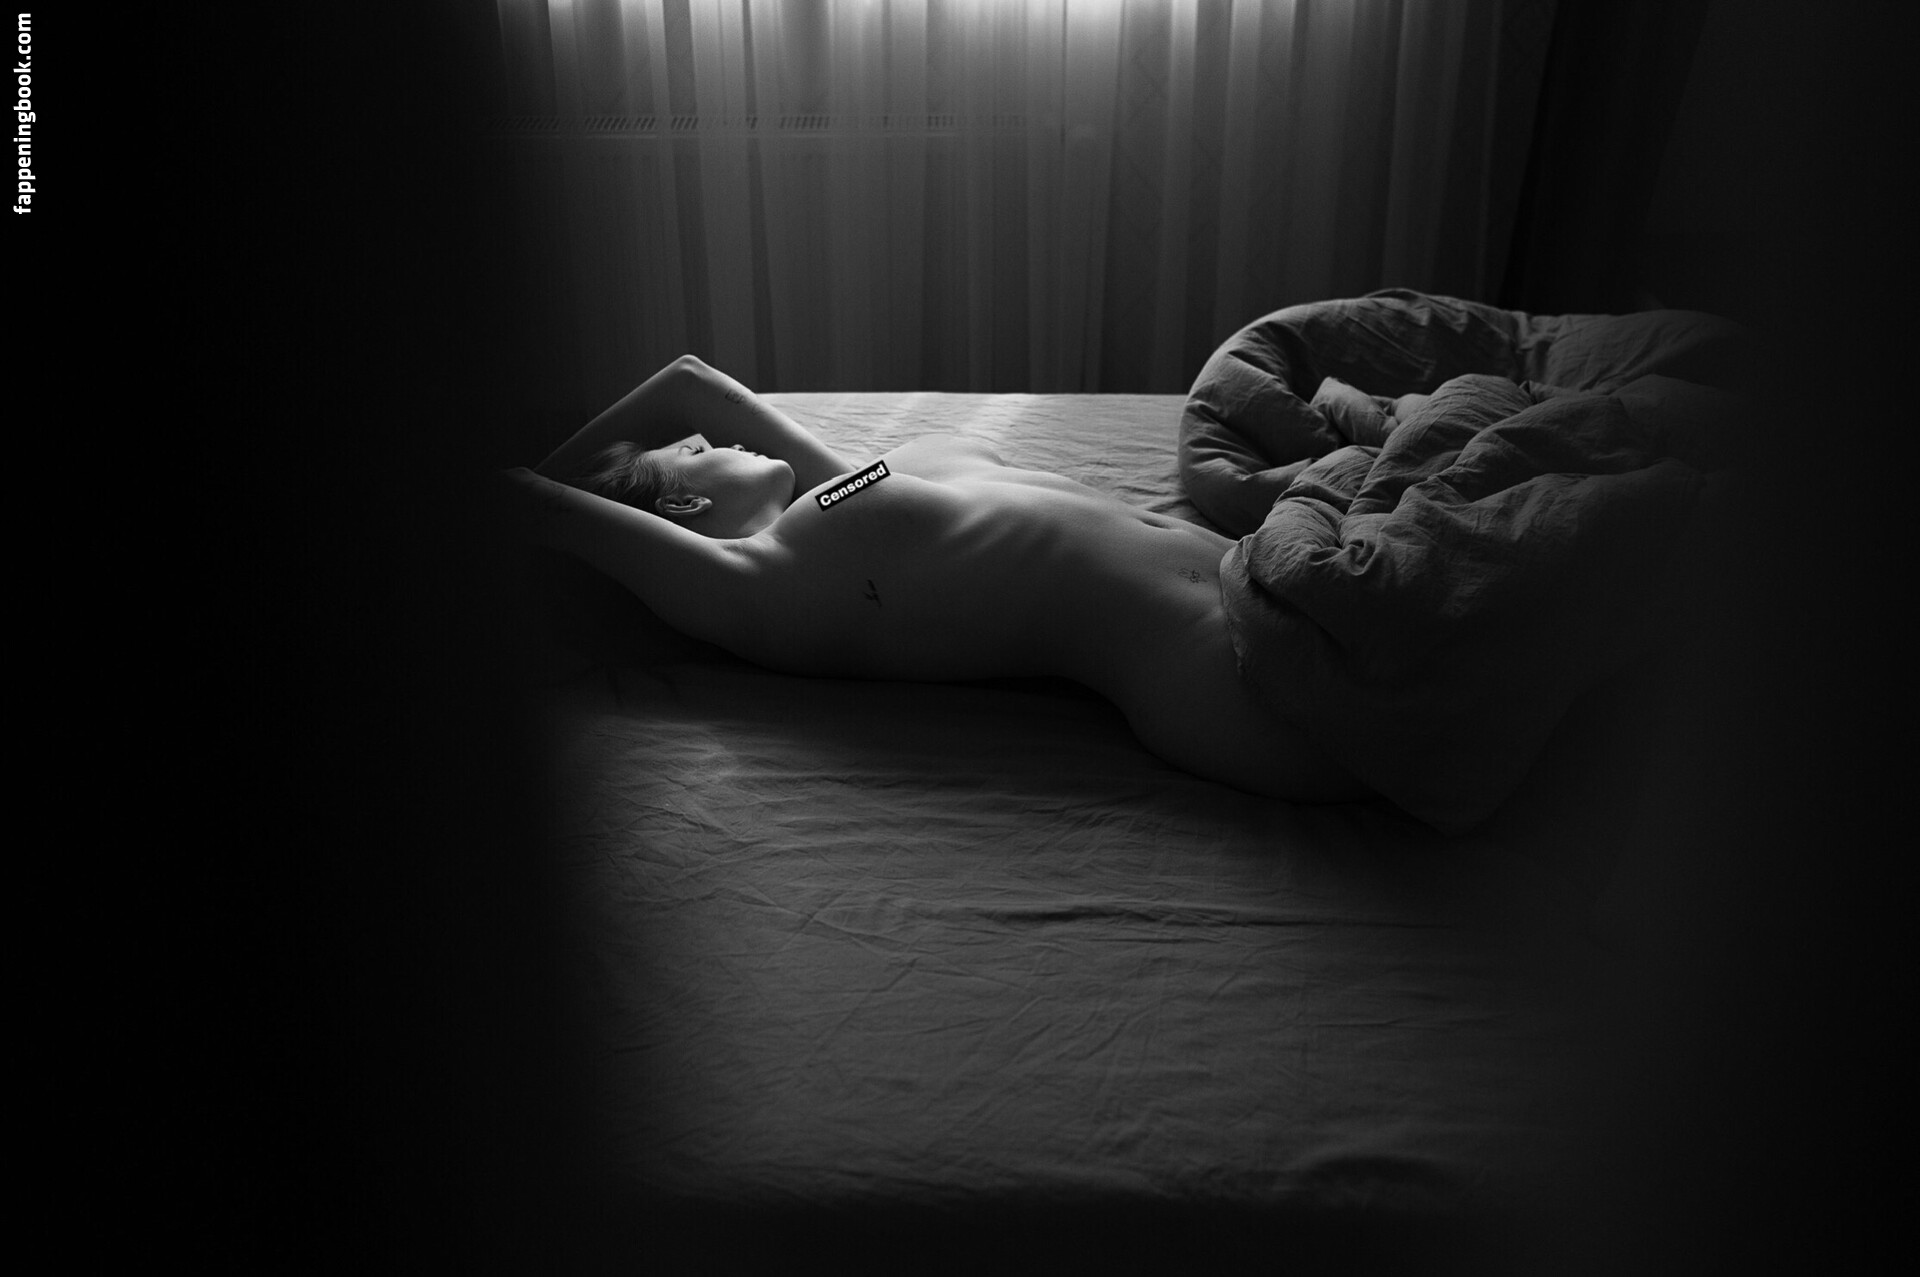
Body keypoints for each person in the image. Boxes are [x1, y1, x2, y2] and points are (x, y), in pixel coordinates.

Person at [506, 355, 1364, 803]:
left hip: (1263, 561)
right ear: (684, 502)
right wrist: (586, 499)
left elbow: (691, 380)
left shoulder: (843, 489)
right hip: (1214, 665)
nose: (723, 436)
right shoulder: (761, 583)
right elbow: (529, 500)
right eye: (698, 450)